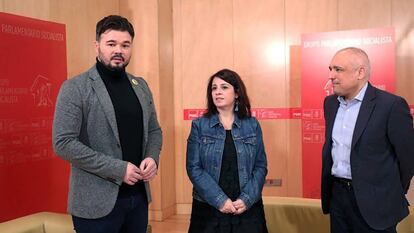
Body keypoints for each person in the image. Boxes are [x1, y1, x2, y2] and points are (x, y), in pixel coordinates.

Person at [52, 15, 162, 233]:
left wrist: (152, 156)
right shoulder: (75, 88)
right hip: (94, 205)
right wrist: (119, 169)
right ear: (97, 46)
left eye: (125, 44)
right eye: (111, 44)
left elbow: (154, 130)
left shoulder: (140, 86)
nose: (118, 50)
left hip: (138, 199)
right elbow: (63, 143)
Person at [321, 47, 414, 233]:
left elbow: (408, 159)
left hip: (377, 203)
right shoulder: (330, 104)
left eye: (338, 69)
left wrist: (388, 191)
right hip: (338, 199)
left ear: (360, 72)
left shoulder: (391, 106)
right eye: (330, 69)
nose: (331, 75)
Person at [186, 69, 268, 233]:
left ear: (237, 93)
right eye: (214, 88)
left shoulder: (252, 125)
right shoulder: (199, 125)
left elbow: (260, 166)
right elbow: (194, 168)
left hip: (246, 206)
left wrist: (246, 199)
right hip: (209, 206)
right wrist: (220, 200)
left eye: (224, 87)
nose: (217, 92)